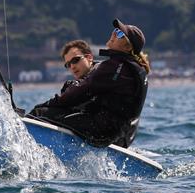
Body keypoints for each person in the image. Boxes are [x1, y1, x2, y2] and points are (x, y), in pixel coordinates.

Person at [29, 19, 150, 148]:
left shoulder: (114, 67)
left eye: (120, 34)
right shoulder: (134, 69)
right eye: (115, 31)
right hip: (114, 133)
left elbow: (78, 94)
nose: (114, 34)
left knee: (39, 113)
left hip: (103, 131)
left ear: (128, 47)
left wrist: (45, 105)